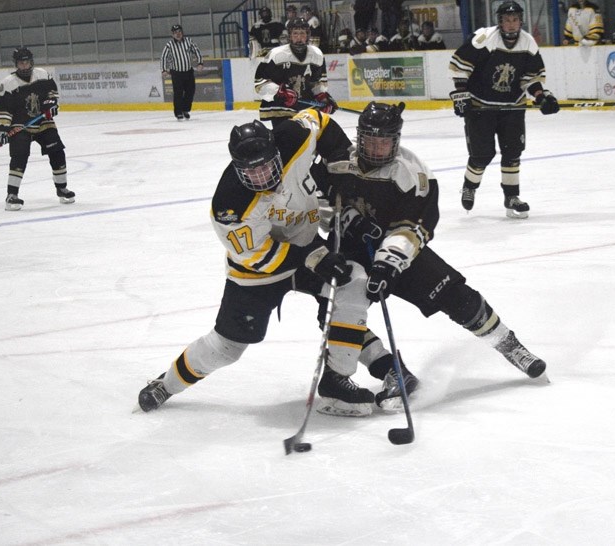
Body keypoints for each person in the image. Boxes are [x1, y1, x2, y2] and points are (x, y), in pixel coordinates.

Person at [138, 109, 416, 416]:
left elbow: (318, 120)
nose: (261, 176)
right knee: (228, 348)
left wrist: (338, 163)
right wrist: (315, 256)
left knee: (353, 285)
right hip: (256, 274)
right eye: (251, 171)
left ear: (276, 151)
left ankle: (342, 380)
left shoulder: (292, 138)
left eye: (266, 166)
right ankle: (166, 383)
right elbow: (261, 256)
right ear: (238, 168)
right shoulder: (229, 205)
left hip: (306, 245)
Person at [313, 102, 548, 390]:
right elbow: (315, 197)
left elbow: (414, 227)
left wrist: (388, 263)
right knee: (333, 307)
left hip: (399, 254)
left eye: (383, 143)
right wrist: (344, 218)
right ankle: (391, 370)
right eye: (370, 142)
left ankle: (511, 346)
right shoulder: (336, 162)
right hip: (348, 249)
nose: (376, 150)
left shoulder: (412, 174)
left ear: (396, 142)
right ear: (359, 138)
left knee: (455, 295)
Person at [449, 1, 559, 218]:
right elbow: (460, 67)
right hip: (481, 105)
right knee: (482, 155)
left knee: (512, 153)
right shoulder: (484, 39)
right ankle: (470, 186)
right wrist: (461, 95)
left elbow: (531, 78)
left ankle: (511, 197)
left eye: (515, 19)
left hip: (513, 106)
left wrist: (540, 96)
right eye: (507, 20)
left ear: (520, 21)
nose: (511, 24)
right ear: (500, 21)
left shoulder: (528, 43)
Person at [0, 47, 75, 211]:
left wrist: (51, 105)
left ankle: (62, 189)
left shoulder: (42, 75)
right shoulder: (7, 84)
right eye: (21, 63)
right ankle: (12, 195)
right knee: (19, 156)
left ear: (31, 61)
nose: (24, 65)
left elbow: (52, 95)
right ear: (16, 64)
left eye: (26, 62)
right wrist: (2, 129)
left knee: (57, 152)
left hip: (43, 122)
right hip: (20, 126)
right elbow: (1, 108)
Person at [254, 18, 337, 128]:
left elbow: (317, 83)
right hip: (282, 109)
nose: (299, 37)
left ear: (307, 35)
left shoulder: (317, 55)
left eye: (302, 33)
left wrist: (322, 97)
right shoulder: (276, 55)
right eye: (295, 33)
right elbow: (260, 83)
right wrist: (279, 93)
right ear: (289, 35)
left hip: (306, 107)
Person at [160, 24, 203, 121]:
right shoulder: (169, 45)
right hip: (176, 73)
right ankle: (178, 112)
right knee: (178, 93)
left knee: (190, 92)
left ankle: (185, 109)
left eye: (179, 32)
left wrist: (200, 63)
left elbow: (197, 51)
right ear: (172, 34)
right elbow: (163, 57)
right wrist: (163, 69)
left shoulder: (189, 41)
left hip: (188, 71)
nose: (178, 34)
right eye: (175, 33)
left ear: (182, 32)